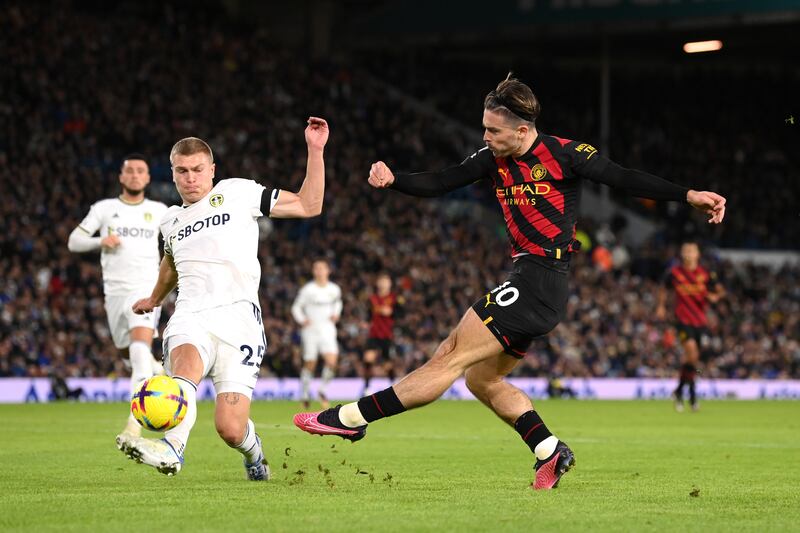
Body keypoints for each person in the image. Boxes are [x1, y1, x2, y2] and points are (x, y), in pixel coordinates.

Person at [294, 75, 726, 490]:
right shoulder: (492, 160)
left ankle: (350, 419)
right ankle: (549, 450)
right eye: (484, 128)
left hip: (541, 278)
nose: (485, 137)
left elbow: (625, 178)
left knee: (449, 356)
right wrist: (395, 180)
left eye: (492, 130)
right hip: (531, 280)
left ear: (522, 131)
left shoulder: (566, 153)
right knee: (482, 380)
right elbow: (443, 180)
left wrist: (689, 195)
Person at [125, 117, 329, 479]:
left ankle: (255, 457)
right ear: (172, 173)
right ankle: (173, 449)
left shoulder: (238, 192)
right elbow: (170, 262)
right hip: (191, 314)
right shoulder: (170, 221)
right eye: (182, 170)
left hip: (240, 320)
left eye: (198, 170)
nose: (190, 178)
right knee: (185, 365)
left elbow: (309, 205)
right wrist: (155, 297)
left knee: (231, 428)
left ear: (212, 170)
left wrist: (315, 150)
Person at [67, 154, 168, 451]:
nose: (136, 175)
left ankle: (134, 425)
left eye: (141, 171)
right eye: (130, 171)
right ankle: (158, 371)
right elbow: (74, 241)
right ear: (121, 177)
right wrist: (101, 241)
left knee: (138, 351)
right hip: (114, 294)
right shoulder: (104, 209)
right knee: (127, 354)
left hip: (146, 291)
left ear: (148, 178)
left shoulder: (160, 210)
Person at [656, 241, 725, 412]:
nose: (688, 253)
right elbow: (663, 288)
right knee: (692, 353)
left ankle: (681, 392)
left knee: (691, 360)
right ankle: (692, 396)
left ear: (697, 254)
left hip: (700, 321)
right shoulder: (675, 273)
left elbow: (720, 290)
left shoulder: (705, 273)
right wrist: (661, 306)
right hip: (682, 320)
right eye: (685, 250)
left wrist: (715, 297)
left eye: (691, 251)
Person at [291, 258, 343, 409]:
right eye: (316, 268)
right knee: (310, 364)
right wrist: (302, 320)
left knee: (332, 362)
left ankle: (322, 390)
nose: (320, 271)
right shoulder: (308, 290)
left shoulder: (334, 289)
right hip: (311, 331)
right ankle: (305, 394)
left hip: (328, 329)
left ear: (328, 270)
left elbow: (338, 302)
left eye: (322, 268)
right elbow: (296, 307)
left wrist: (336, 314)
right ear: (313, 271)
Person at [361, 273, 403, 393]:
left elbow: (401, 314)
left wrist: (391, 312)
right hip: (373, 334)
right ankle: (367, 387)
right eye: (381, 281)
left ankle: (393, 385)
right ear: (377, 283)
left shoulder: (395, 298)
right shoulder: (372, 299)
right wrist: (366, 322)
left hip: (387, 335)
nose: (383, 284)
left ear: (390, 284)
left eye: (386, 281)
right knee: (368, 359)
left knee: (387, 364)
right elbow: (369, 315)